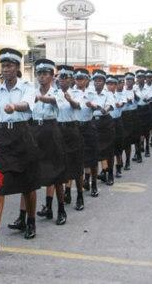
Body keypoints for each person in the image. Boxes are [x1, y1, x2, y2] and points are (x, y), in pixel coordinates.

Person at [0, 48, 38, 251]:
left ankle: (31, 221)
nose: (5, 69)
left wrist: (15, 107)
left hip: (22, 135)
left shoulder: (27, 87)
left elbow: (28, 104)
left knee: (28, 184)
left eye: (9, 66)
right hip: (2, 138)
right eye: (3, 66)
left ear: (17, 67)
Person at [31, 59, 67, 226]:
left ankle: (61, 209)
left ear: (52, 76)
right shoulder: (32, 92)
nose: (42, 77)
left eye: (45, 74)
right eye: (39, 73)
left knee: (57, 173)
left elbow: (54, 101)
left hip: (51, 131)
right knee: (36, 173)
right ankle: (47, 208)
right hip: (36, 131)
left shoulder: (57, 92)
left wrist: (41, 98)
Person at [56, 65, 85, 211]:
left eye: (65, 77)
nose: (62, 80)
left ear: (71, 79)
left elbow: (77, 106)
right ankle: (64, 195)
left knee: (76, 164)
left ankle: (79, 195)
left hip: (72, 129)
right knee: (60, 165)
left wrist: (69, 99)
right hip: (58, 130)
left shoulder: (77, 92)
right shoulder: (54, 93)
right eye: (60, 77)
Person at [72, 69, 99, 197]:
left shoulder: (92, 92)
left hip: (89, 125)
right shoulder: (71, 92)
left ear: (87, 80)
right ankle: (80, 189)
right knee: (77, 159)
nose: (79, 81)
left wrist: (92, 106)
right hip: (76, 127)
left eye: (81, 78)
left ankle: (94, 184)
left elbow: (97, 107)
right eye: (77, 79)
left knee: (92, 158)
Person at [90, 70, 115, 186]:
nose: (97, 83)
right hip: (93, 123)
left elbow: (110, 105)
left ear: (104, 82)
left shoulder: (108, 94)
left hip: (105, 123)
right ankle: (100, 173)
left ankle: (110, 174)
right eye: (95, 80)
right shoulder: (90, 93)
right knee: (95, 150)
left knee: (108, 151)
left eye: (100, 80)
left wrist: (105, 109)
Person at [108, 75, 127, 179]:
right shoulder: (105, 95)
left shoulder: (121, 95)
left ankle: (118, 167)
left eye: (112, 84)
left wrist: (116, 103)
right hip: (107, 122)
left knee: (118, 147)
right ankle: (108, 171)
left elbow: (120, 105)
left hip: (117, 121)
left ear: (115, 85)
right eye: (108, 84)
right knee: (108, 148)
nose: (110, 86)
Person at [133, 70, 152, 162]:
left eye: (142, 77)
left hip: (146, 110)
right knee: (137, 132)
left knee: (146, 131)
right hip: (137, 110)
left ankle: (147, 148)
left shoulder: (149, 88)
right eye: (138, 77)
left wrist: (148, 99)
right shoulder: (134, 88)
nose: (140, 79)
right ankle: (137, 153)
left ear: (145, 79)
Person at [121, 72, 139, 171]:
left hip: (132, 115)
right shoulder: (121, 90)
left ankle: (129, 159)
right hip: (122, 116)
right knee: (123, 140)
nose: (128, 81)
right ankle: (122, 161)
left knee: (132, 138)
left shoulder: (136, 90)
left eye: (130, 80)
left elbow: (139, 100)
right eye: (127, 80)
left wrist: (134, 94)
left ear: (133, 81)